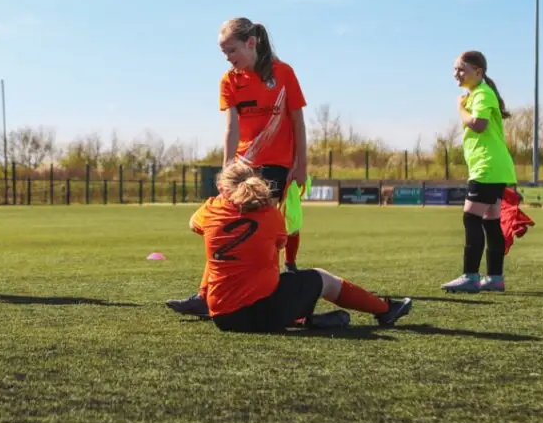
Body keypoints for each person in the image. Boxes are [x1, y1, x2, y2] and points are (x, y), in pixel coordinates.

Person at [168, 17, 308, 316]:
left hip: (276, 166)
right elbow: (231, 129)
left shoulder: (283, 74)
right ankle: (204, 296)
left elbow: (297, 121)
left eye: (232, 51)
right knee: (224, 224)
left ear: (251, 43)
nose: (229, 58)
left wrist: (301, 165)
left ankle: (269, 295)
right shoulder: (229, 80)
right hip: (244, 166)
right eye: (224, 53)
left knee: (262, 231)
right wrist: (226, 171)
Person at [189, 161, 412, 333]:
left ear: (222, 188)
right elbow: (280, 244)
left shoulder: (210, 209)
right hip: (264, 312)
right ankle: (385, 310)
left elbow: (194, 225)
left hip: (222, 317)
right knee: (321, 278)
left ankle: (306, 318)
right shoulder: (271, 214)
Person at [442, 50, 519, 293]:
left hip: (487, 168)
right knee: (491, 222)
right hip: (494, 167)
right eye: (455, 69)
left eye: (461, 69)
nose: (456, 73)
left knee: (471, 217)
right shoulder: (479, 93)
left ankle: (471, 276)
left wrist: (460, 109)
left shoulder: (482, 94)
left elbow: (478, 124)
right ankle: (495, 278)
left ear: (479, 71)